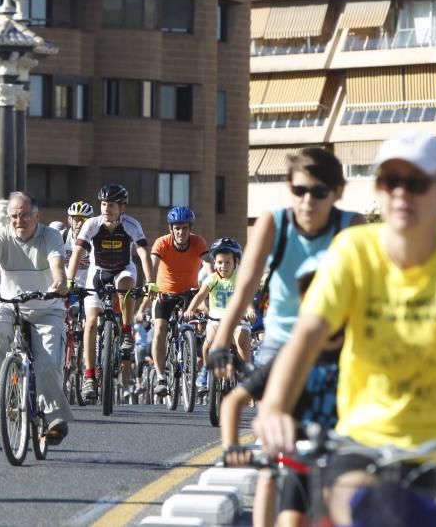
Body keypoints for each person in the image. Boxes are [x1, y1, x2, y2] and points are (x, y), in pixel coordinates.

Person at [251, 130, 436, 527]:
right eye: (389, 181)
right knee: (361, 506)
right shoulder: (354, 249)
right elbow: (308, 333)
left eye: (416, 183)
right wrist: (275, 406)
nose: (401, 194)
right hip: (365, 442)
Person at [210, 147, 362, 527]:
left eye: (319, 192)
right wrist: (219, 344)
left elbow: (374, 296)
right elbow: (244, 287)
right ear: (288, 189)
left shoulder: (352, 227)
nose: (307, 201)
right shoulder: (274, 225)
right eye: (299, 191)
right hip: (282, 346)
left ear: (338, 192)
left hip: (337, 345)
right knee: (275, 453)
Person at [221, 258, 342, 527]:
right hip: (300, 459)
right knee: (288, 517)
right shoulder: (292, 356)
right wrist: (232, 448)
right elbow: (234, 402)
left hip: (349, 462)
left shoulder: (361, 353)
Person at [0, 192, 72, 443]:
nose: (18, 220)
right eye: (14, 216)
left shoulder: (50, 236)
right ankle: (6, 378)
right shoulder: (1, 236)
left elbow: (58, 267)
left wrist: (59, 283)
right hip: (10, 305)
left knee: (49, 362)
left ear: (36, 216)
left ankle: (54, 418)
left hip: (47, 309)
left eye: (24, 215)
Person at [66, 184, 153, 402]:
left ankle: (125, 330)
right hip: (98, 273)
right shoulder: (91, 224)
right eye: (104, 204)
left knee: (126, 283)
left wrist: (151, 281)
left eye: (111, 205)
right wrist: (69, 279)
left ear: (122, 208)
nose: (106, 209)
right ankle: (89, 376)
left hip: (123, 268)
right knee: (91, 323)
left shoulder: (131, 225)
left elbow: (143, 252)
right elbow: (77, 252)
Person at [140, 206, 209, 397]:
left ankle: (191, 358)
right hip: (164, 294)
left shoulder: (198, 242)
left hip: (190, 293)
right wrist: (151, 284)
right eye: (177, 228)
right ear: (171, 229)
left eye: (185, 228)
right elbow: (152, 265)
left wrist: (214, 284)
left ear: (190, 228)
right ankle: (161, 377)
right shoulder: (162, 243)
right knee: (160, 329)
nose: (181, 232)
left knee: (197, 325)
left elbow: (210, 266)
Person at [185, 238, 249, 388]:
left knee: (242, 340)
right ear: (214, 264)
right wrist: (190, 310)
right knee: (209, 343)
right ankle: (206, 372)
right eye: (220, 262)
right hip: (216, 320)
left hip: (237, 320)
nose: (223, 266)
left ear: (236, 263)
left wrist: (250, 311)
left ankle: (244, 376)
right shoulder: (212, 279)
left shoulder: (240, 278)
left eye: (228, 262)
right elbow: (200, 295)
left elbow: (246, 297)